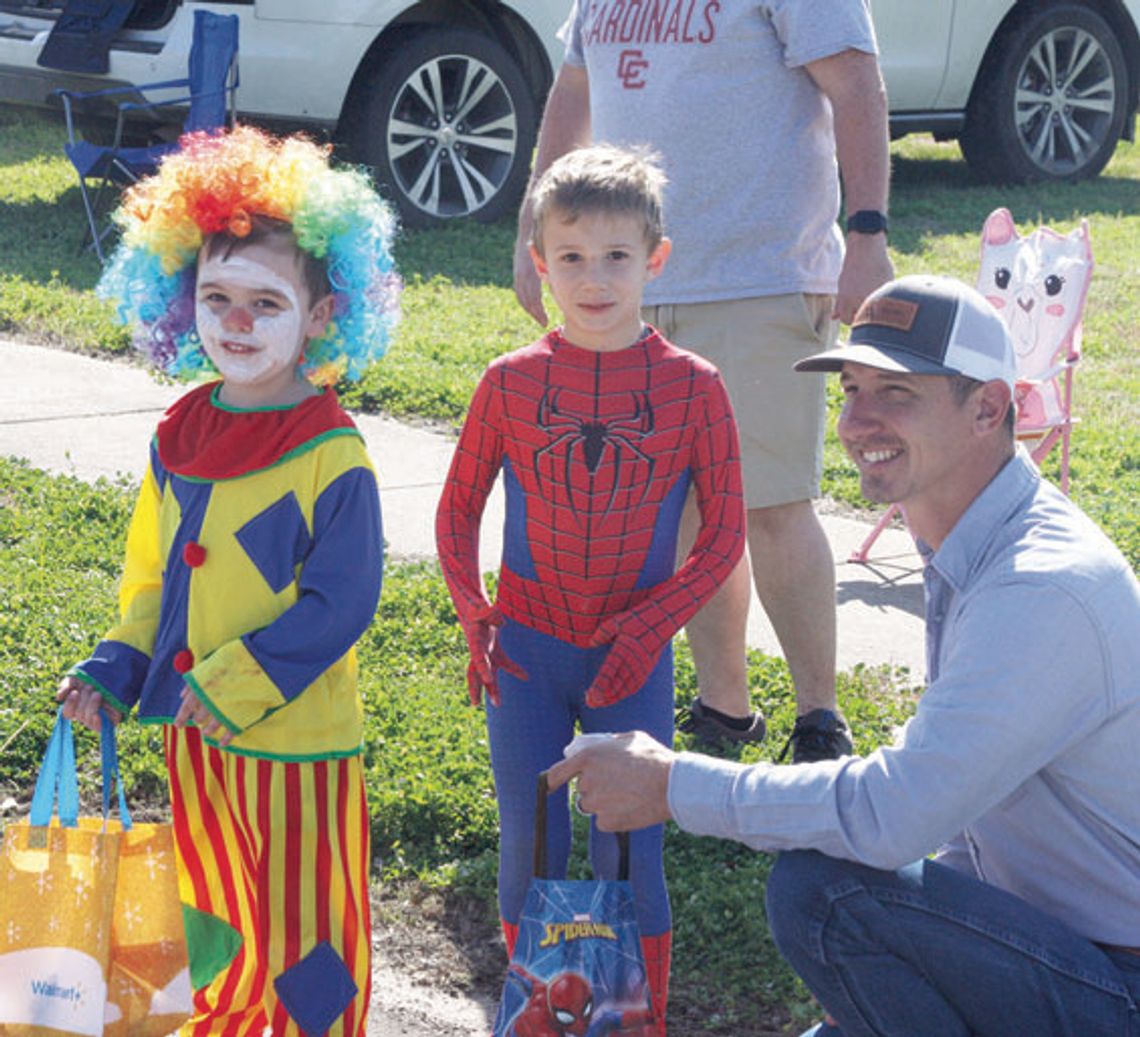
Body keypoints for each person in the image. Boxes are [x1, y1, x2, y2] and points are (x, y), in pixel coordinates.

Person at [548, 275, 1140, 1035]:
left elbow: (895, 815)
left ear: (990, 408)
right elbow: (957, 821)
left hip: (1119, 985)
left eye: (895, 393)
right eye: (851, 389)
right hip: (1070, 952)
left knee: (825, 891)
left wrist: (672, 783)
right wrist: (896, 973)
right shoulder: (980, 542)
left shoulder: (1041, 586)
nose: (858, 421)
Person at [55, 126, 401, 1037]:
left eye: (265, 301)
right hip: (196, 737)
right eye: (216, 297)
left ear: (324, 315)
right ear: (182, 297)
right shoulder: (179, 434)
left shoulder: (333, 455)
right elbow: (153, 581)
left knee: (305, 929)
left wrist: (238, 680)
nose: (236, 322)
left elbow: (343, 602)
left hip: (297, 743)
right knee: (212, 914)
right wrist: (117, 666)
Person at [512, 1, 895, 761]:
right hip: (633, 283)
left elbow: (857, 87)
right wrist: (534, 228)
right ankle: (724, 707)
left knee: (773, 505)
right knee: (684, 511)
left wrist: (868, 235)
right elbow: (574, 94)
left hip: (760, 275)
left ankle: (819, 716)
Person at [436, 144, 745, 1033]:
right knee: (531, 845)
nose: (593, 278)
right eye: (570, 257)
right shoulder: (508, 380)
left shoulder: (697, 389)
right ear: (540, 264)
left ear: (656, 259)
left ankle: (632, 1018)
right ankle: (540, 1012)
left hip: (630, 660)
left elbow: (724, 536)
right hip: (527, 651)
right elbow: (456, 514)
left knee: (628, 852)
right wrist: (475, 619)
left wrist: (646, 634)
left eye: (616, 257)